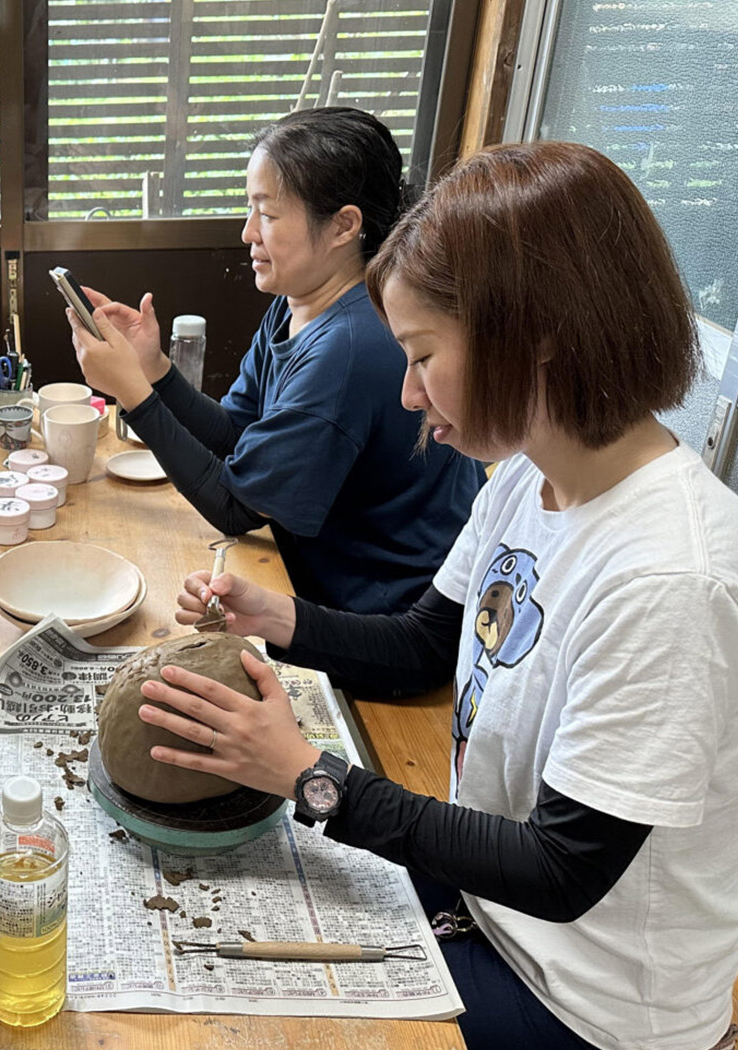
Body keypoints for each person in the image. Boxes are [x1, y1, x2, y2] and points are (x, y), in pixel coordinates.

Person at [145, 142, 738, 1050]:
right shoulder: (522, 475)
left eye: (421, 357)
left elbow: (559, 870)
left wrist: (313, 778)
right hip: (484, 906)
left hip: (578, 1001)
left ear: (536, 340)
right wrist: (276, 618)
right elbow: (427, 644)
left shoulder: (668, 578)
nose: (411, 394)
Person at [68, 107, 484, 617]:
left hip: (374, 613)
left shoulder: (349, 347)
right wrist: (153, 369)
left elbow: (237, 508)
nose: (248, 232)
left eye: (266, 213)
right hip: (316, 575)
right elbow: (237, 433)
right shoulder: (299, 302)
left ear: (343, 226)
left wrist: (133, 392)